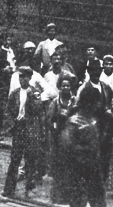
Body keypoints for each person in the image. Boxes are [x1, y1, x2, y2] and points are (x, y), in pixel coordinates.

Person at [61, 86, 106, 207]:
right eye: (96, 102)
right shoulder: (73, 122)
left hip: (94, 167)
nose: (98, 106)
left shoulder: (93, 120)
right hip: (78, 168)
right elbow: (67, 146)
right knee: (78, 200)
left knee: (98, 200)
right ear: (89, 103)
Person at [2, 67, 42, 199]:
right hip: (18, 129)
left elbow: (38, 109)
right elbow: (8, 111)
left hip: (30, 129)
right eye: (20, 77)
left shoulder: (35, 92)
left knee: (30, 160)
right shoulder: (14, 93)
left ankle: (29, 188)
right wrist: (12, 125)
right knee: (15, 159)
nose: (22, 79)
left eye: (25, 77)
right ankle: (9, 189)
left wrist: (31, 96)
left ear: (30, 78)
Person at [46, 73, 77, 204]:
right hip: (58, 138)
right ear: (59, 87)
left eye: (68, 86)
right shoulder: (55, 102)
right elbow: (48, 119)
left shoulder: (75, 101)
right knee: (58, 169)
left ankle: (70, 197)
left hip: (73, 139)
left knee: (71, 169)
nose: (65, 88)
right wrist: (55, 126)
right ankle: (57, 198)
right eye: (63, 86)